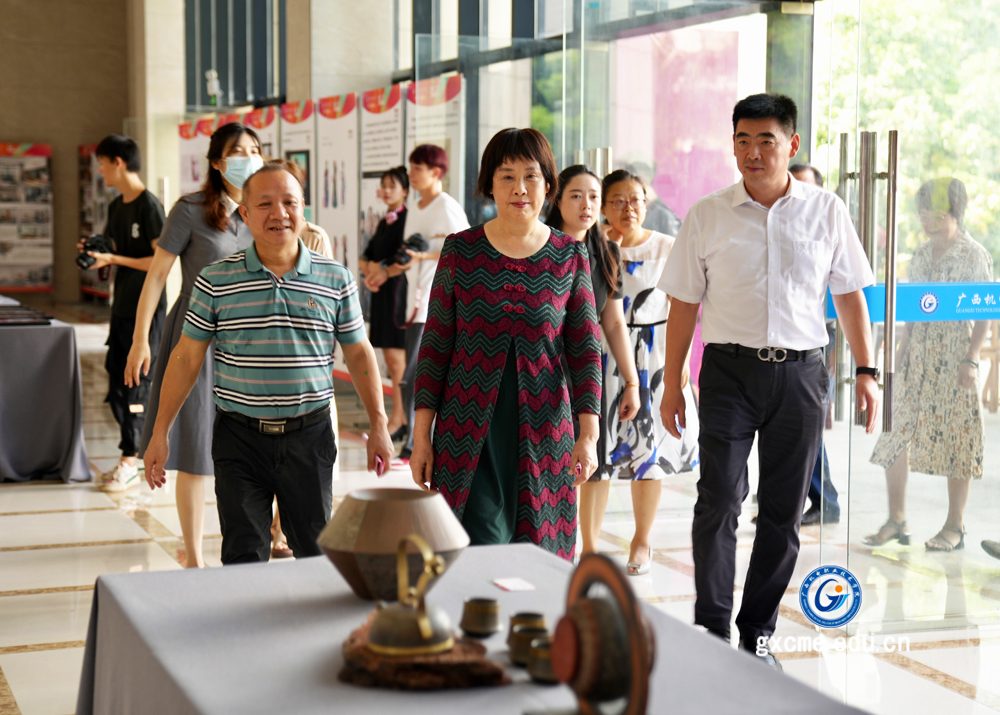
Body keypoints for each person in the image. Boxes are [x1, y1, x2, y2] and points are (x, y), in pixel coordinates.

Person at [659, 93, 880, 668]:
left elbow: (849, 294)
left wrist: (866, 369)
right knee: (718, 501)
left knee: (784, 512)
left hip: (802, 375)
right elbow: (683, 303)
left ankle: (757, 635)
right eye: (743, 140)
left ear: (792, 144)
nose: (753, 152)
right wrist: (673, 381)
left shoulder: (826, 210)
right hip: (728, 373)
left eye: (766, 140)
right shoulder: (707, 214)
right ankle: (712, 631)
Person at [143, 163, 394, 564]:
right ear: (244, 214)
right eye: (264, 204)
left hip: (309, 437)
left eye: (289, 202)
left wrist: (379, 424)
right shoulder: (215, 280)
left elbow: (359, 353)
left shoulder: (335, 279)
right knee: (242, 556)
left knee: (314, 553)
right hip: (238, 438)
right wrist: (160, 431)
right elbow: (186, 356)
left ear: (303, 209)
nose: (279, 213)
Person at [410, 128, 602, 560]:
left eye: (531, 176)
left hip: (546, 432)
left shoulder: (569, 256)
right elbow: (436, 346)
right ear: (489, 185)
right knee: (476, 554)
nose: (520, 188)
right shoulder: (461, 251)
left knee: (540, 558)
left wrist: (588, 435)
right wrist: (422, 437)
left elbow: (586, 351)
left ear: (548, 185)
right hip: (468, 433)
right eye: (507, 176)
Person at [124, 122, 260, 568]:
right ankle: (195, 558)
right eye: (239, 151)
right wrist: (141, 339)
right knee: (197, 445)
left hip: (250, 338)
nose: (249, 158)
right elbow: (157, 276)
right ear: (218, 162)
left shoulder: (263, 210)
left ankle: (254, 542)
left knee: (250, 446)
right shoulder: (190, 210)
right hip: (197, 335)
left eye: (255, 149)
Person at [867, 178, 993, 551]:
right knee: (894, 434)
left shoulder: (974, 255)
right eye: (923, 213)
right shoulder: (920, 255)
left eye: (936, 213)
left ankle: (955, 527)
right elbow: (912, 309)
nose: (927, 220)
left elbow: (984, 313)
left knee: (958, 440)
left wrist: (971, 358)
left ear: (954, 212)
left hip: (955, 359)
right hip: (916, 357)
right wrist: (898, 355)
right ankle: (897, 520)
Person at [600, 169, 698, 575]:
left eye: (636, 200)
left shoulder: (668, 247)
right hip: (606, 356)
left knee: (649, 453)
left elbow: (683, 308)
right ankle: (587, 545)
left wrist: (681, 365)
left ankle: (642, 540)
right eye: (618, 201)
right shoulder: (595, 247)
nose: (629, 208)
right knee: (599, 452)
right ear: (604, 207)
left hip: (656, 358)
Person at [544, 165, 641, 558]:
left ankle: (588, 550)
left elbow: (613, 322)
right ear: (557, 200)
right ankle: (551, 544)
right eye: (576, 195)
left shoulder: (607, 252)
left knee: (594, 463)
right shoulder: (540, 246)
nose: (586, 205)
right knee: (550, 459)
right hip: (546, 371)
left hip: (589, 372)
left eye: (594, 197)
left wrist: (632, 382)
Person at [79, 135, 166, 492]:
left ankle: (132, 459)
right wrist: (97, 252)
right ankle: (128, 455)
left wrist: (114, 258)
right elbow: (114, 248)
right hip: (122, 309)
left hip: (147, 313)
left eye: (101, 164)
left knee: (136, 387)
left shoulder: (150, 207)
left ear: (118, 162)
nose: (99, 171)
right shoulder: (117, 207)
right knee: (117, 383)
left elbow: (159, 263)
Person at [372, 145, 469, 464]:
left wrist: (425, 255)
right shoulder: (415, 206)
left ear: (436, 172)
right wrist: (384, 273)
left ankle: (418, 441)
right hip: (415, 304)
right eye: (411, 167)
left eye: (417, 168)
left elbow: (465, 251)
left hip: (441, 305)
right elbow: (408, 255)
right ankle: (417, 439)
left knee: (418, 373)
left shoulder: (447, 207)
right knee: (413, 374)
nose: (411, 174)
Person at [789, 162, 840, 526]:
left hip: (817, 339)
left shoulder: (829, 223)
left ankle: (825, 501)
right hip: (782, 343)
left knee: (805, 427)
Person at [357, 167, 410, 443]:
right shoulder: (384, 221)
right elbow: (365, 256)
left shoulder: (407, 220)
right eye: (384, 185)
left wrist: (379, 271)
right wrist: (370, 269)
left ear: (405, 191)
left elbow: (404, 259)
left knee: (397, 360)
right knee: (390, 359)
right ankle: (398, 417)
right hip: (381, 292)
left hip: (398, 294)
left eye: (393, 186)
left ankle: (401, 419)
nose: (386, 190)